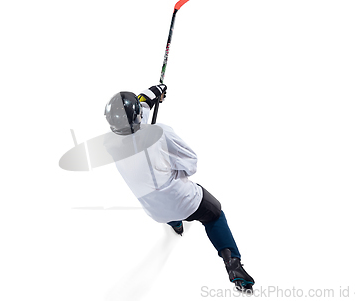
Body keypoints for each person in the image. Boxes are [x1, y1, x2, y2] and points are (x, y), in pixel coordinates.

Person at [104, 85, 255, 293]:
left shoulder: (109, 144)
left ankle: (175, 224)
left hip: (154, 211)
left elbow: (135, 120)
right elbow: (191, 163)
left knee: (164, 204)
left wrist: (152, 94)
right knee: (215, 215)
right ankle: (234, 265)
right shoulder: (161, 133)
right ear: (138, 115)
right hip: (183, 200)